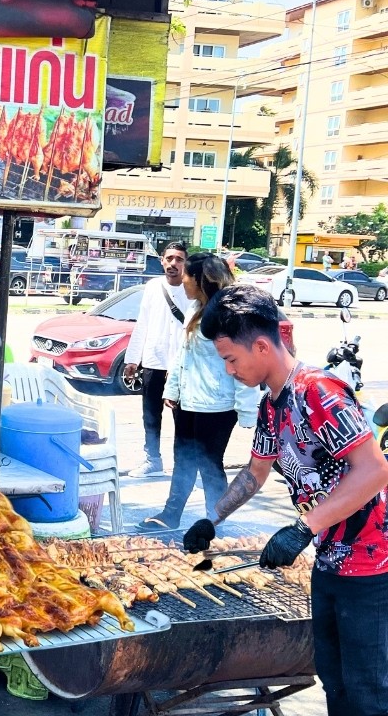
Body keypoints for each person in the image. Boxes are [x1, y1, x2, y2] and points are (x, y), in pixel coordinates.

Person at [183, 283, 388, 715]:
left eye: (231, 360)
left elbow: (374, 469)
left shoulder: (319, 391)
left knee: (368, 691)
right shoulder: (272, 406)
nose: (229, 371)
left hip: (373, 566)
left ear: (261, 346)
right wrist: (212, 519)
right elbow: (256, 472)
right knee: (335, 680)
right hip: (331, 561)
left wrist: (302, 528)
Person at [135, 254, 258, 532]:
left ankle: (215, 521)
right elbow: (183, 354)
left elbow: (241, 362)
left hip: (217, 406)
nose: (184, 281)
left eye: (188, 276)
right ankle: (171, 515)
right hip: (189, 402)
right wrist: (173, 389)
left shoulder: (228, 315)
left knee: (210, 465)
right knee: (183, 460)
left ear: (200, 279)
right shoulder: (195, 307)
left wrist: (248, 409)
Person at [121, 242, 191, 477]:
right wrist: (132, 359)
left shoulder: (192, 289)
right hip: (153, 361)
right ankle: (153, 459)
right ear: (162, 260)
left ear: (185, 263)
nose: (173, 264)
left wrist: (180, 365)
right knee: (150, 414)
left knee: (183, 417)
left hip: (180, 366)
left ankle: (184, 465)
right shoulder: (152, 287)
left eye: (179, 259)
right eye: (169, 258)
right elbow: (142, 323)